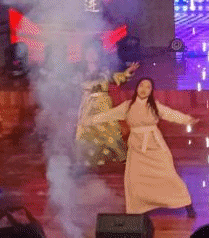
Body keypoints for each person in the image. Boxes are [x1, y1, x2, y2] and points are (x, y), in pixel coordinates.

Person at [85, 77, 199, 217]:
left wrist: (187, 119)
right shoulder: (127, 106)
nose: (144, 89)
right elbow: (109, 115)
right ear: (137, 88)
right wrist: (90, 120)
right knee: (134, 179)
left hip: (156, 147)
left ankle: (187, 205)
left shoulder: (155, 106)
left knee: (169, 176)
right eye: (141, 86)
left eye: (148, 87)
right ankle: (139, 209)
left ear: (151, 91)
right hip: (137, 148)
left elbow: (171, 114)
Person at [75, 43, 138, 168]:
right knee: (84, 131)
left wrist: (128, 72)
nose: (91, 55)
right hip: (87, 104)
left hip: (103, 103)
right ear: (85, 56)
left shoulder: (105, 71)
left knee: (111, 129)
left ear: (98, 55)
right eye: (89, 53)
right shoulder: (80, 73)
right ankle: (83, 159)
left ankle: (123, 157)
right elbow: (73, 86)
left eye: (94, 53)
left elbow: (118, 78)